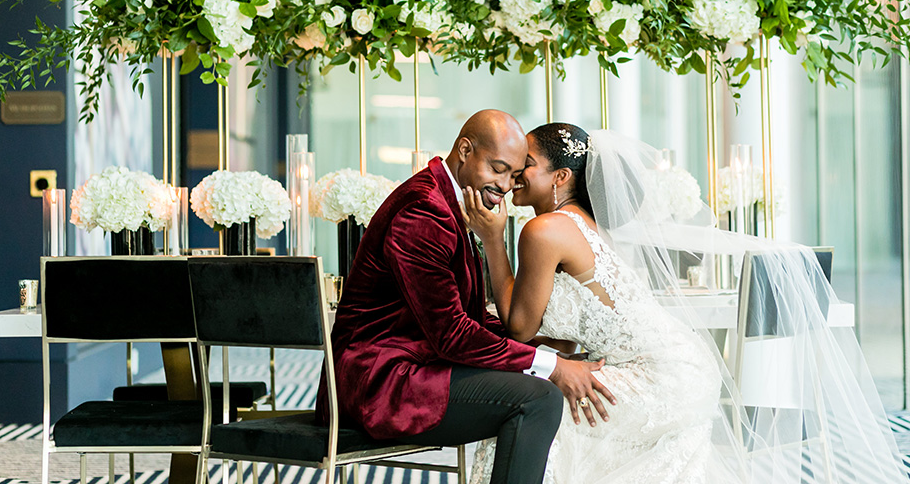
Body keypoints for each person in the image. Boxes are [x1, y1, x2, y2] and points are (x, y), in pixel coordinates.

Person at [464, 123, 908, 483]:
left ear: (561, 177)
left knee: (538, 414)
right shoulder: (584, 225)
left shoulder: (541, 231)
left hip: (664, 377)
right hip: (680, 365)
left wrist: (491, 239)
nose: (514, 175)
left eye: (527, 164)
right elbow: (556, 322)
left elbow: (519, 326)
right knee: (552, 406)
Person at [318, 110, 616, 484]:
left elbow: (466, 315)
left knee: (541, 387)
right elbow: (453, 334)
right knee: (538, 399)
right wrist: (551, 366)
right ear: (465, 150)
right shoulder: (424, 210)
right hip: (378, 383)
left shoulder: (451, 202)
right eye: (498, 168)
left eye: (513, 174)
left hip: (415, 365)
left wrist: (546, 348)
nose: (506, 185)